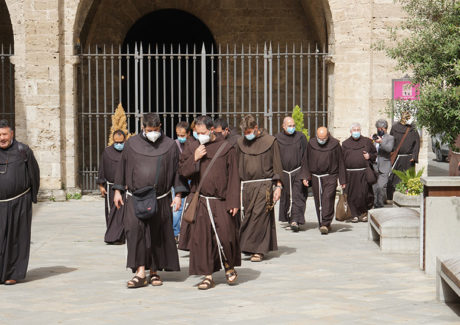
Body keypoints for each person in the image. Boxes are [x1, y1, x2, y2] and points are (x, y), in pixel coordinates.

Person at [113, 113, 188, 288]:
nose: (152, 133)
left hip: (160, 198)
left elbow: (178, 170)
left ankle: (154, 271)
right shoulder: (131, 144)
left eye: (155, 130)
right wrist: (117, 190)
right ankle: (140, 272)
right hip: (135, 197)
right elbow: (122, 167)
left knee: (157, 234)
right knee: (135, 232)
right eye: (149, 130)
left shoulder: (169, 145)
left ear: (160, 127)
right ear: (143, 128)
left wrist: (178, 195)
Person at [179, 115, 240, 290]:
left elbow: (234, 176)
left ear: (212, 130)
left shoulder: (226, 148)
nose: (200, 136)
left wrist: (234, 201)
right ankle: (207, 276)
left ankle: (229, 265)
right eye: (197, 133)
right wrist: (195, 158)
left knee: (226, 236)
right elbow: (183, 171)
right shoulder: (192, 146)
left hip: (221, 200)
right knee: (203, 240)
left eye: (203, 132)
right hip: (202, 201)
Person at [236, 114, 283, 262]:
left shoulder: (270, 141)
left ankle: (258, 250)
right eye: (244, 133)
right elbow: (236, 165)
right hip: (247, 187)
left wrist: (278, 187)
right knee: (248, 215)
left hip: (265, 185)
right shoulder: (240, 143)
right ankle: (248, 246)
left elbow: (277, 164)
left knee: (260, 216)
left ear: (256, 128)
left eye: (249, 132)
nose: (246, 135)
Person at [0, 119, 40, 285]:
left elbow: (34, 174)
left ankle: (13, 273)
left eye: (4, 134)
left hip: (20, 201)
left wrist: (32, 197)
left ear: (11, 134)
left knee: (17, 238)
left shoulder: (23, 151)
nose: (1, 138)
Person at [304, 126, 346, 235]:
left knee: (327, 198)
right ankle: (322, 222)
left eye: (323, 138)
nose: (321, 140)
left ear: (328, 136)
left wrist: (342, 180)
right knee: (318, 200)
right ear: (316, 136)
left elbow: (341, 162)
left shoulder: (335, 144)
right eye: (319, 138)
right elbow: (306, 160)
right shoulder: (311, 143)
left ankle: (325, 223)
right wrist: (305, 176)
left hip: (330, 175)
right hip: (315, 176)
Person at [275, 116, 309, 232]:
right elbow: (275, 158)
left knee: (298, 196)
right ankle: (290, 219)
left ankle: (295, 220)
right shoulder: (277, 138)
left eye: (293, 126)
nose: (292, 128)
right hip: (284, 173)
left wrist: (305, 174)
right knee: (287, 197)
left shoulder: (301, 137)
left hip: (298, 172)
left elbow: (306, 156)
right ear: (283, 126)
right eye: (289, 126)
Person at [342, 123, 377, 222]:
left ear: (360, 130)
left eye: (358, 129)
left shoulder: (367, 142)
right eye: (354, 130)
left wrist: (369, 156)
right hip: (350, 174)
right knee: (351, 194)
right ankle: (354, 214)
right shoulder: (345, 144)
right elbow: (341, 160)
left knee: (364, 194)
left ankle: (364, 213)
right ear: (350, 131)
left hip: (363, 173)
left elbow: (375, 154)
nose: (356, 132)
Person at [97, 130, 126, 244]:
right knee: (112, 212)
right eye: (116, 142)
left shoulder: (128, 152)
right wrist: (101, 185)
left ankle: (121, 236)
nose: (119, 144)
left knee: (123, 212)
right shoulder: (107, 152)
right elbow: (102, 168)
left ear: (125, 140)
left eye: (121, 142)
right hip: (110, 187)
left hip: (124, 187)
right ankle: (111, 236)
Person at [387, 111, 420, 200]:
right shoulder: (395, 128)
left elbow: (417, 143)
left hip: (409, 159)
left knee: (408, 178)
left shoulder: (413, 129)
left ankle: (407, 196)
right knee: (394, 177)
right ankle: (392, 196)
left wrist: (414, 156)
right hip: (397, 158)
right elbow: (391, 141)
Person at [172, 121, 191, 243]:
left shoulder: (194, 144)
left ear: (189, 133)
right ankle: (175, 232)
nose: (180, 137)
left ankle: (187, 233)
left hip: (190, 178)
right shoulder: (174, 145)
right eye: (178, 135)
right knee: (176, 207)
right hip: (178, 178)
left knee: (189, 206)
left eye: (183, 135)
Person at [372, 119, 395, 208]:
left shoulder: (390, 138)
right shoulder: (375, 137)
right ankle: (374, 203)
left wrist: (381, 142)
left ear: (385, 129)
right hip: (374, 166)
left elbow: (389, 149)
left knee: (381, 187)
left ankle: (380, 204)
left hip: (384, 166)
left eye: (381, 128)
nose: (379, 130)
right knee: (374, 187)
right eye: (378, 128)